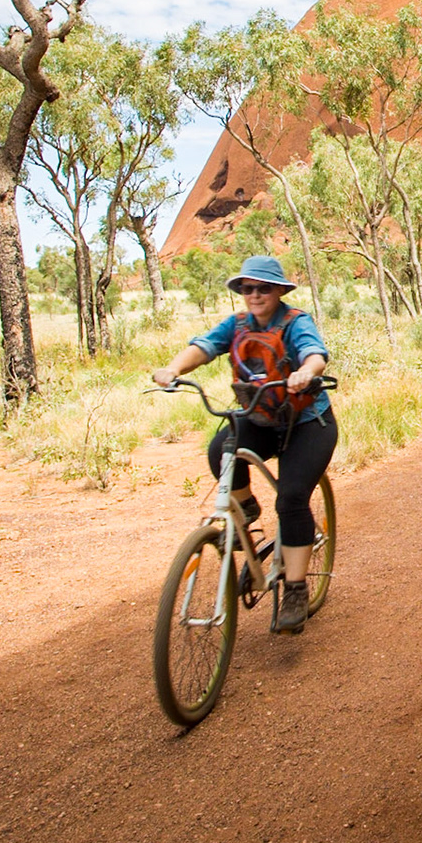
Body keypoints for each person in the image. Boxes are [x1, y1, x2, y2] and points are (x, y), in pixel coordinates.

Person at [152, 255, 334, 635]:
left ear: (279, 291)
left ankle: (296, 590)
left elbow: (314, 353)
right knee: (221, 450)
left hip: (307, 422)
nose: (254, 295)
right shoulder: (237, 325)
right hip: (262, 416)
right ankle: (247, 514)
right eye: (247, 288)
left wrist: (306, 372)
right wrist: (172, 369)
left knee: (291, 499)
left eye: (263, 288)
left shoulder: (295, 321)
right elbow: (204, 347)